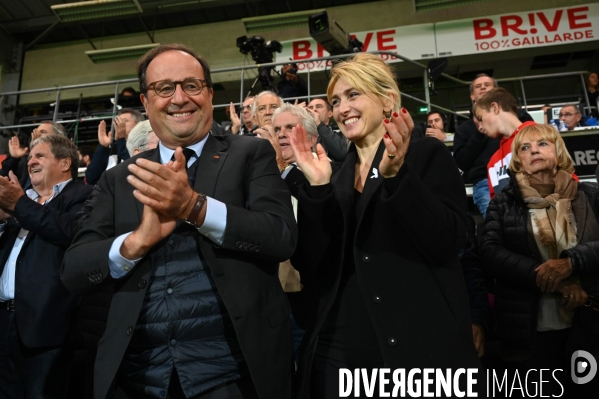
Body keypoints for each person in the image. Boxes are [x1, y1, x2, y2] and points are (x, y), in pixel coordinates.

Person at [61, 43, 297, 399]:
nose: (179, 98)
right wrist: (134, 243)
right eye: (164, 88)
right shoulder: (119, 179)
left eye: (192, 85)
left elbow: (280, 236)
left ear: (210, 94)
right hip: (138, 377)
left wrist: (194, 207)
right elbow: (74, 270)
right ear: (145, 103)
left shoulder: (251, 153)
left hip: (232, 374)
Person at [287, 53, 480, 398]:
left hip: (417, 352)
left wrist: (398, 178)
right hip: (339, 353)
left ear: (387, 99)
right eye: (335, 101)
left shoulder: (425, 155)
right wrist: (317, 190)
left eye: (353, 95)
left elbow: (448, 240)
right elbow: (311, 266)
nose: (342, 108)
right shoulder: (334, 174)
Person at [480, 124, 599, 397]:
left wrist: (572, 263)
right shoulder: (503, 204)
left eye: (543, 144)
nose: (534, 150)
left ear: (558, 152)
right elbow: (489, 253)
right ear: (518, 161)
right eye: (525, 147)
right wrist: (553, 281)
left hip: (589, 326)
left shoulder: (589, 195)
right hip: (530, 331)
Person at [0, 134, 93, 398]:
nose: (31, 162)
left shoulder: (84, 194)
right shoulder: (21, 200)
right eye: (30, 157)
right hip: (4, 320)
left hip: (46, 326)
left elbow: (70, 231)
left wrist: (20, 205)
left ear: (65, 163)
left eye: (40, 156)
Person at [453, 74, 533, 217]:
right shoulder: (465, 130)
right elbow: (461, 162)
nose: (483, 87)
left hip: (524, 177)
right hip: (486, 180)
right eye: (478, 86)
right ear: (472, 96)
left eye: (487, 85)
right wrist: (478, 135)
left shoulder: (526, 123)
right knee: (502, 223)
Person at [473, 87, 536, 200]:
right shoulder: (493, 162)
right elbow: (496, 207)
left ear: (495, 108)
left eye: (480, 118)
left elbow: (567, 180)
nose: (480, 127)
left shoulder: (540, 134)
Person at [85, 108, 144, 185]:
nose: (120, 124)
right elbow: (91, 178)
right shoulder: (112, 149)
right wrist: (102, 146)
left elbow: (134, 166)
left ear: (139, 125)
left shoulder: (145, 145)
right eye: (118, 122)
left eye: (125, 121)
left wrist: (121, 140)